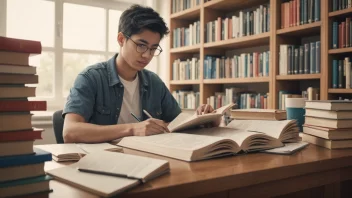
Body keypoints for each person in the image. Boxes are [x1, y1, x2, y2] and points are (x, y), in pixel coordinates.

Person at [62, 4, 219, 143]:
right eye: (141, 45)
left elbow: (176, 124)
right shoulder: (90, 78)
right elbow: (70, 132)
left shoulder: (154, 82)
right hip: (99, 162)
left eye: (153, 48)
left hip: (145, 158)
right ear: (121, 39)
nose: (147, 55)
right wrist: (133, 129)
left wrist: (201, 120)